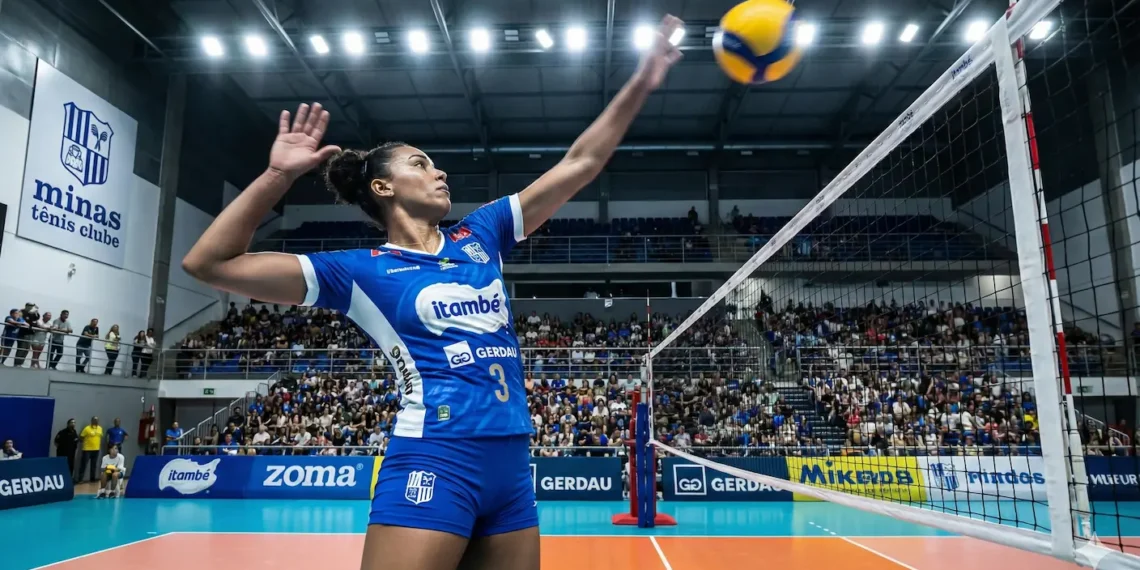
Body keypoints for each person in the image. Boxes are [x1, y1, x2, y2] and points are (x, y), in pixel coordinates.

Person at [180, 15, 682, 570]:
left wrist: (642, 81)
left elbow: (581, 163)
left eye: (436, 164)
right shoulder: (356, 271)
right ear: (383, 187)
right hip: (435, 456)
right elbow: (209, 262)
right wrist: (278, 176)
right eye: (421, 164)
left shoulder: (482, 234)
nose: (439, 173)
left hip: (513, 462)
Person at [78, 417, 103, 483]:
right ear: (92, 421)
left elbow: (100, 437)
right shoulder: (87, 428)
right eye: (95, 420)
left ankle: (92, 479)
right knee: (84, 464)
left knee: (94, 465)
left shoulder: (100, 428)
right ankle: (80, 479)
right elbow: (81, 437)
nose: (96, 421)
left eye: (97, 420)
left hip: (96, 449)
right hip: (87, 450)